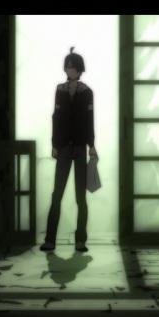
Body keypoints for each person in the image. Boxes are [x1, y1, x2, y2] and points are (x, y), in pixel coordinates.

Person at [41, 47, 98, 253]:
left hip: (81, 147)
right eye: (67, 66)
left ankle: (81, 240)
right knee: (57, 193)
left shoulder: (87, 92)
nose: (69, 69)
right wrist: (54, 144)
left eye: (72, 66)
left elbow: (89, 120)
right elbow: (56, 118)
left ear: (79, 69)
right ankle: (50, 239)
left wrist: (92, 145)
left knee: (80, 197)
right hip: (64, 146)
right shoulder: (60, 90)